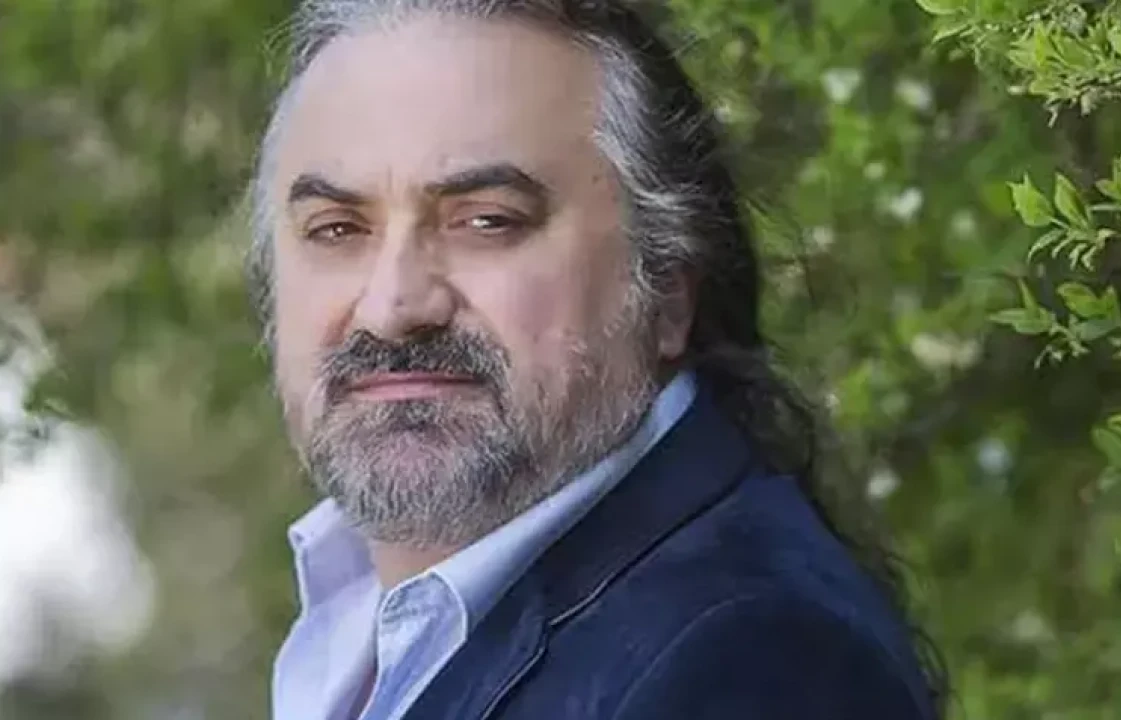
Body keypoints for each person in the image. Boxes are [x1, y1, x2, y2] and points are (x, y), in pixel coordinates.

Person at [246, 1, 942, 718]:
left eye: (488, 221)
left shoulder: (752, 659)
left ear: (667, 289)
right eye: (336, 229)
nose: (393, 307)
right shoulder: (365, 621)